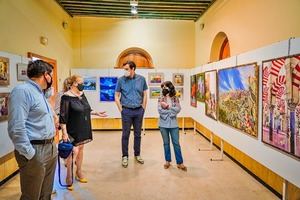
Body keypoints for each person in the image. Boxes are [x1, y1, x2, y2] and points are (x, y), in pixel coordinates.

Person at [8, 60, 57, 200]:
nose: (51, 79)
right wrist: (30, 154)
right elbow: (16, 127)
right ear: (45, 75)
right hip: (35, 149)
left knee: (45, 193)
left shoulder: (40, 92)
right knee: (31, 195)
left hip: (50, 147)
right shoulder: (22, 91)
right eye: (51, 75)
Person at [59, 75, 107, 190]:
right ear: (74, 84)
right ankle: (68, 177)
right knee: (72, 152)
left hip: (83, 127)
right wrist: (64, 133)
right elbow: (63, 117)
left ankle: (79, 172)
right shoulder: (66, 97)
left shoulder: (82, 94)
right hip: (72, 129)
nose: (83, 84)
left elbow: (87, 108)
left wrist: (97, 113)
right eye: (81, 82)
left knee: (80, 149)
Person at [115, 61, 148, 168]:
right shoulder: (121, 80)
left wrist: (143, 108)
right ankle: (125, 156)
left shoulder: (141, 79)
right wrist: (121, 110)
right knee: (125, 134)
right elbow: (116, 96)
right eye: (124, 69)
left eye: (126, 69)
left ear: (133, 69)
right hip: (126, 111)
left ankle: (137, 154)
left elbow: (145, 94)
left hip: (139, 110)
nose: (125, 71)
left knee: (137, 134)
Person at [158, 81, 187, 171]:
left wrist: (168, 108)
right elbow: (160, 111)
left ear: (170, 88)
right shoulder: (160, 98)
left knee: (176, 144)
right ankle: (167, 161)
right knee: (166, 144)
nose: (163, 89)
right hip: (163, 125)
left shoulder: (175, 98)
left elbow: (178, 109)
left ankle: (180, 163)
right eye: (162, 87)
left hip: (174, 125)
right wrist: (171, 112)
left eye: (165, 87)